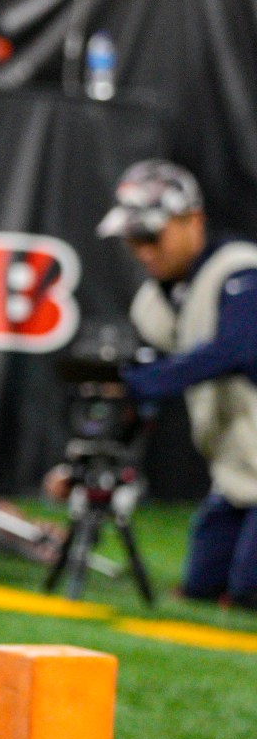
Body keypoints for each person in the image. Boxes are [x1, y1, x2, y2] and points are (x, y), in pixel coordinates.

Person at [97, 161, 257, 607]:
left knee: (248, 593)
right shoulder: (153, 303)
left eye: (152, 236)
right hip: (236, 474)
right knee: (202, 588)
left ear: (193, 221)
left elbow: (236, 351)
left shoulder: (242, 271)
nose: (144, 251)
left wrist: (139, 384)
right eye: (135, 240)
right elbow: (151, 382)